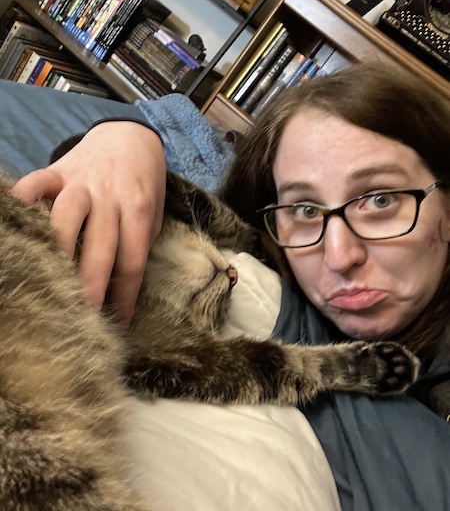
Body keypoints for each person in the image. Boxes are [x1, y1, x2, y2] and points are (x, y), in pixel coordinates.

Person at [11, 63, 450, 509]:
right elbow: (136, 194)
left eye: (380, 200)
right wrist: (124, 138)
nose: (339, 255)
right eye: (304, 210)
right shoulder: (267, 256)